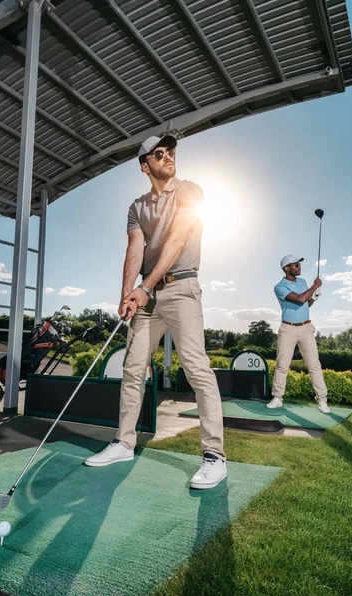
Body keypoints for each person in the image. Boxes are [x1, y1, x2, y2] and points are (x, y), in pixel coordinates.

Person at [85, 134, 227, 489]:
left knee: (196, 367)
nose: (168, 156)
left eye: (171, 151)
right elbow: (135, 248)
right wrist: (125, 296)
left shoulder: (190, 191)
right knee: (133, 369)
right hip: (148, 297)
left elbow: (178, 239)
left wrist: (144, 287)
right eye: (159, 153)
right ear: (145, 165)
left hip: (181, 289)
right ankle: (124, 443)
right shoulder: (137, 206)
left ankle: (214, 456)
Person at [266, 254, 330, 414]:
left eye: (299, 265)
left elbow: (307, 303)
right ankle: (277, 398)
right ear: (287, 268)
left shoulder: (302, 282)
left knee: (314, 365)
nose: (299, 267)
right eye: (296, 265)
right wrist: (314, 286)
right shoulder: (279, 287)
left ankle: (322, 400)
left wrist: (315, 295)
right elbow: (300, 299)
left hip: (306, 328)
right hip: (287, 329)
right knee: (282, 365)